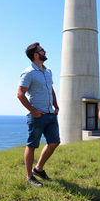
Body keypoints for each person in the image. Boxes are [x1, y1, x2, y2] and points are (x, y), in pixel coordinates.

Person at [17, 42, 60, 187]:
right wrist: (33, 111)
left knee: (54, 142)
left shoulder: (48, 71)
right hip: (37, 115)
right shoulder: (28, 72)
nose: (45, 51)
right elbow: (20, 94)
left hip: (50, 113)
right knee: (32, 145)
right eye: (42, 50)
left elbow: (51, 89)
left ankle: (38, 168)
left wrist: (56, 105)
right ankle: (29, 177)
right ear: (36, 55)